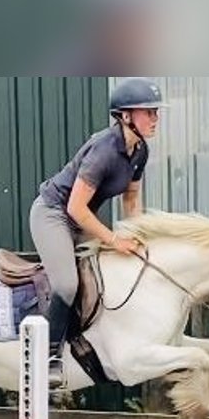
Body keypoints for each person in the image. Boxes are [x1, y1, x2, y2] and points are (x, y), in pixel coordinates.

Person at [30, 77, 164, 384]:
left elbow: (131, 199)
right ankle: (49, 355)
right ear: (126, 116)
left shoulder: (139, 150)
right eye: (149, 112)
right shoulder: (104, 150)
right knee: (66, 283)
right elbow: (75, 208)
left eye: (156, 112)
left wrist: (138, 235)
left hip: (80, 218)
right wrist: (115, 239)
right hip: (53, 214)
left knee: (115, 270)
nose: (155, 119)